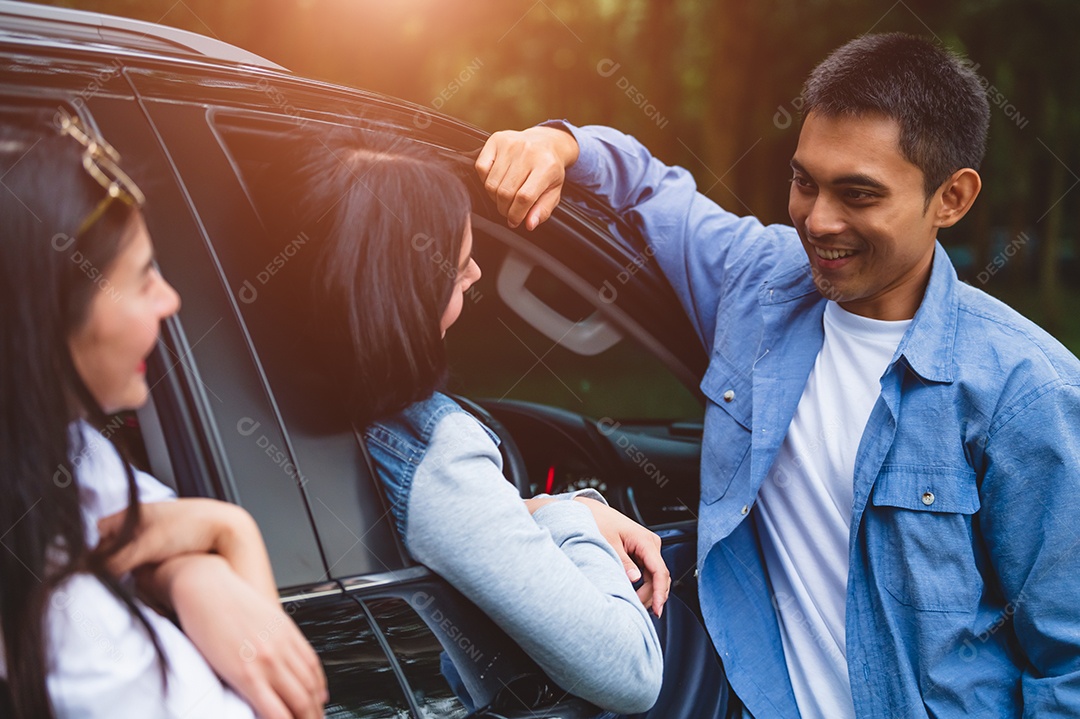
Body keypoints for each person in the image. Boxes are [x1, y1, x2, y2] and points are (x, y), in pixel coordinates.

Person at [476, 32, 1080, 719]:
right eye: (804, 181)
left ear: (953, 198)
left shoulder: (1026, 393)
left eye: (858, 194)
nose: (818, 220)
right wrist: (556, 144)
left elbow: (1070, 658)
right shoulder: (755, 282)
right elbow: (646, 186)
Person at [283, 129, 666, 715]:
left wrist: (530, 512)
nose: (476, 274)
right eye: (456, 268)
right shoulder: (433, 449)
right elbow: (632, 671)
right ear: (407, 294)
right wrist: (572, 512)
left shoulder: (286, 395)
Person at [0, 108, 325, 718]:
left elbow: (142, 525)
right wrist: (234, 535)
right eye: (144, 276)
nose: (171, 300)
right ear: (46, 315)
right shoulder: (77, 640)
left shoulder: (64, 452)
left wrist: (186, 575)